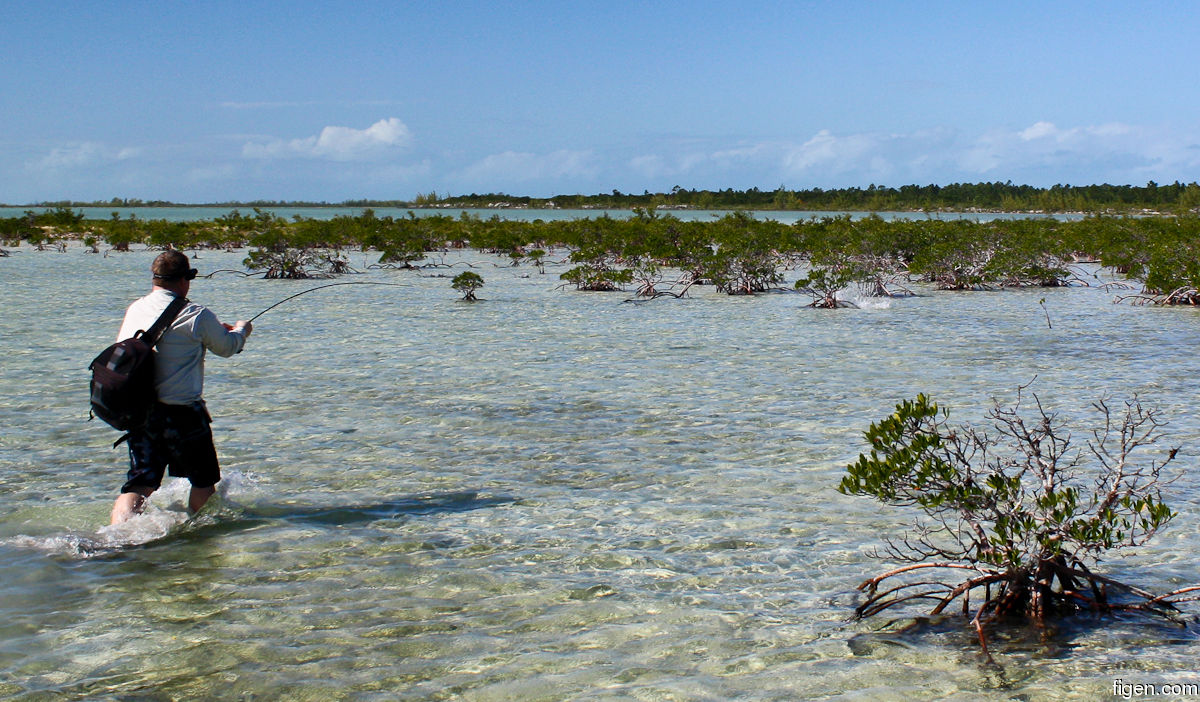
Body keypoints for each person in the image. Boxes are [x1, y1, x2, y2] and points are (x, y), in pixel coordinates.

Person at [109, 250, 253, 524]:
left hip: (141, 412)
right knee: (203, 481)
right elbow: (228, 347)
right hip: (183, 413)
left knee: (140, 484)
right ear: (185, 280)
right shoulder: (196, 314)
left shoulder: (136, 308)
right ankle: (200, 536)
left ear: (155, 279)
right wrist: (242, 329)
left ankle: (118, 534)